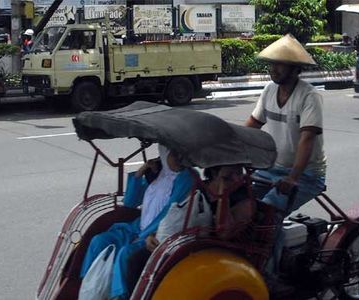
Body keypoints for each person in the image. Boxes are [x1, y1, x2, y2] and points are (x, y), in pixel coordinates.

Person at [244, 34, 327, 286]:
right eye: (272, 63)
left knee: (268, 215)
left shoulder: (309, 96)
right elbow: (252, 126)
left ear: (295, 69)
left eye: (280, 64)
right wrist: (228, 151)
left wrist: (293, 177)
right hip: (271, 171)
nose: (273, 69)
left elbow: (307, 140)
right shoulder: (269, 91)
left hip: (306, 175)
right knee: (241, 206)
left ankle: (270, 276)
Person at [79, 145, 193, 300]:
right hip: (136, 228)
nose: (180, 158)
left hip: (157, 233)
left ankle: (119, 297)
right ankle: (87, 288)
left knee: (125, 255)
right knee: (99, 241)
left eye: (182, 153)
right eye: (174, 154)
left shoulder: (186, 178)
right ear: (164, 154)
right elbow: (130, 202)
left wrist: (144, 235)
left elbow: (168, 213)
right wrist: (141, 173)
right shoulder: (159, 174)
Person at [125, 165, 256, 295]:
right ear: (215, 173)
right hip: (186, 242)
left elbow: (224, 232)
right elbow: (175, 216)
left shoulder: (243, 199)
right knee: (136, 260)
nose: (236, 179)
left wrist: (223, 194)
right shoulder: (199, 188)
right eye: (230, 175)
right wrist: (154, 235)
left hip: (215, 249)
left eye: (239, 174)